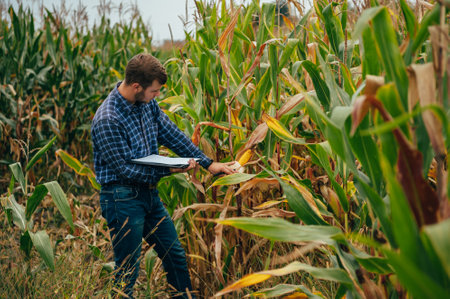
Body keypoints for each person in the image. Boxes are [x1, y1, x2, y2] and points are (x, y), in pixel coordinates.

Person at [91, 53, 237, 298]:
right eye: (155, 91)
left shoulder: (147, 104)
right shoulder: (108, 119)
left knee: (175, 256)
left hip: (149, 195)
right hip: (122, 199)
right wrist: (168, 169)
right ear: (137, 86)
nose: (157, 96)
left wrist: (208, 164)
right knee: (127, 271)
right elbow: (124, 169)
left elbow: (171, 134)